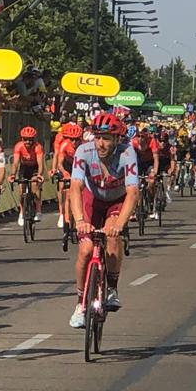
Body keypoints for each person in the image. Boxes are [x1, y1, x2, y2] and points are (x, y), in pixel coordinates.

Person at [67, 113, 139, 328]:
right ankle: (80, 304)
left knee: (112, 237)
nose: (101, 143)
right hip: (92, 198)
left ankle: (112, 289)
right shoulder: (84, 151)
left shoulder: (127, 153)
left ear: (117, 140)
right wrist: (79, 220)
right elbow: (76, 188)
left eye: (107, 138)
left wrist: (119, 224)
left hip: (117, 200)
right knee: (86, 249)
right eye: (98, 137)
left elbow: (133, 192)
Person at [9, 125, 45, 226]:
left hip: (35, 168)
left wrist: (39, 175)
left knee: (34, 187)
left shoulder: (38, 147)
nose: (28, 142)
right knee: (21, 191)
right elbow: (15, 163)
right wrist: (12, 175)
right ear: (22, 139)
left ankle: (38, 210)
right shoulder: (19, 146)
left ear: (34, 139)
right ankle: (21, 212)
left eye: (30, 140)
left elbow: (41, 164)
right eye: (25, 140)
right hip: (24, 168)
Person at [52, 122, 83, 229]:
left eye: (77, 139)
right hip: (67, 165)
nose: (74, 142)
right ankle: (63, 214)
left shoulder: (84, 146)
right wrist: (64, 172)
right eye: (72, 139)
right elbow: (60, 163)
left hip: (79, 166)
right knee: (64, 189)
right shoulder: (64, 145)